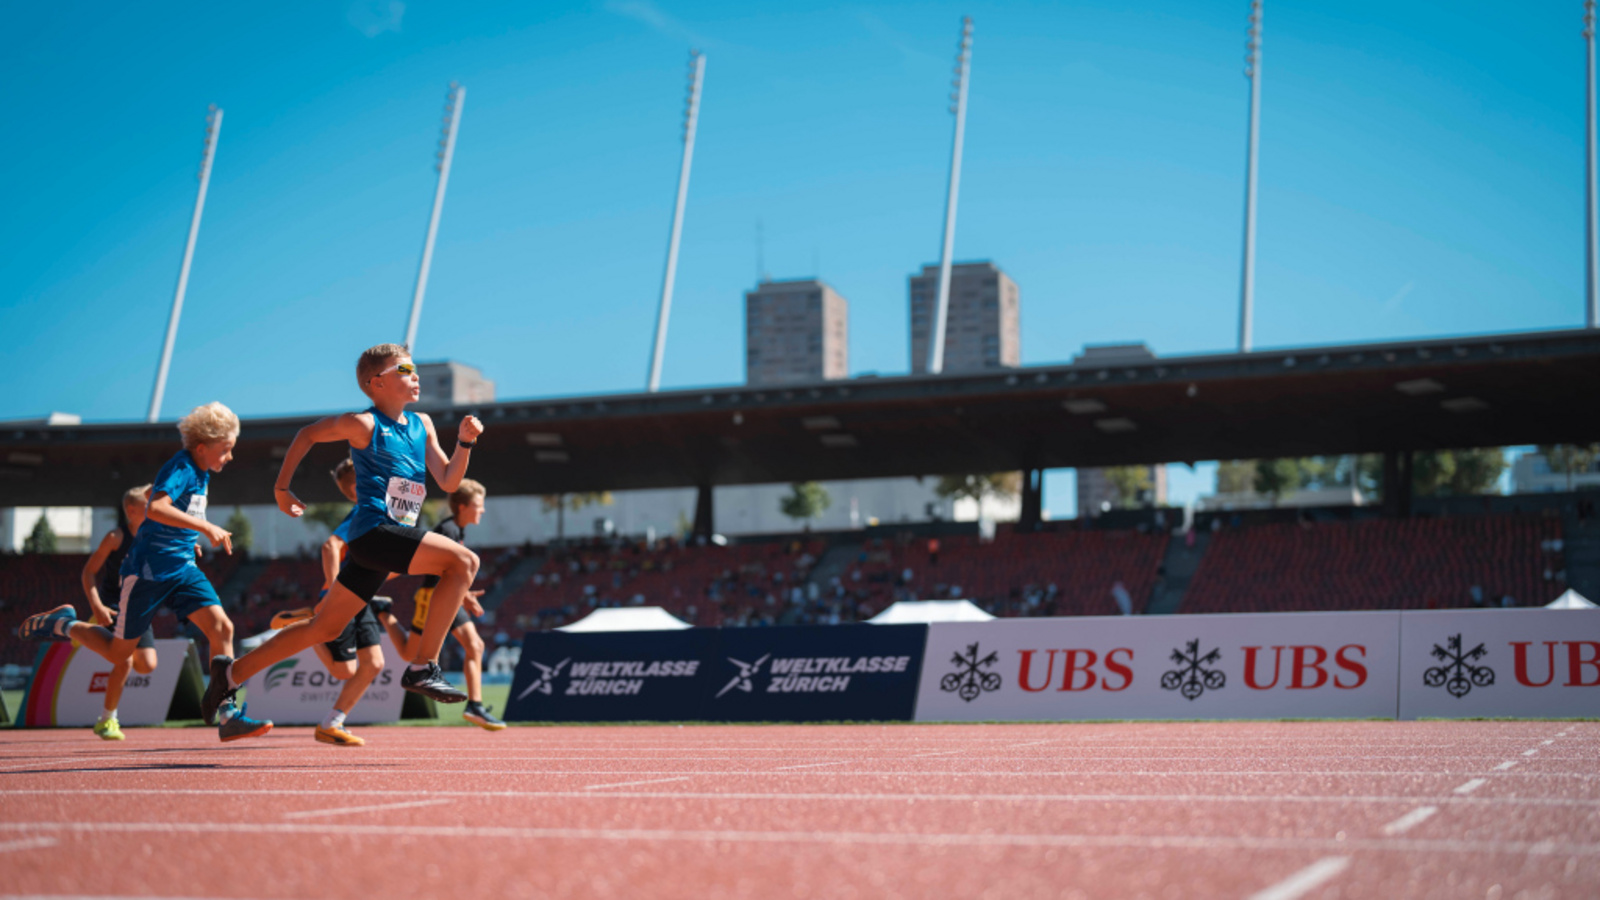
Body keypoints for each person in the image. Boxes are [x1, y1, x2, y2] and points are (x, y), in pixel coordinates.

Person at [205, 343, 482, 733]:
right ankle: (422, 666)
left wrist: (465, 442)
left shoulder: (423, 425)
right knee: (465, 562)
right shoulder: (363, 424)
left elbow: (450, 480)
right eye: (404, 368)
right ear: (376, 383)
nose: (414, 374)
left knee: (323, 628)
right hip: (374, 533)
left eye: (415, 367)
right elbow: (307, 435)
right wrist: (282, 489)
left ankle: (229, 676)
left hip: (386, 541)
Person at [20, 402, 270, 742]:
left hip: (182, 567)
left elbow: (167, 507)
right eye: (226, 450)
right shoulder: (181, 465)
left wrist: (187, 537)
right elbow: (156, 507)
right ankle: (63, 623)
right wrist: (205, 528)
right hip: (147, 574)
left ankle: (227, 713)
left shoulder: (202, 473)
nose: (230, 457)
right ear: (202, 447)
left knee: (222, 627)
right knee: (119, 654)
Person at [271, 458, 388, 746]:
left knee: (373, 664)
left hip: (363, 597)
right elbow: (330, 546)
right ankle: (306, 622)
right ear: (357, 487)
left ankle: (331, 723)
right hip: (344, 596)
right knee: (343, 670)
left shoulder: (379, 512)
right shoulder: (364, 511)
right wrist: (336, 588)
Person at [374, 478, 505, 731]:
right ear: (463, 506)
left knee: (472, 646)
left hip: (446, 598)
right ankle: (381, 611)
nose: (483, 509)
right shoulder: (447, 530)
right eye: (479, 504)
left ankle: (382, 612)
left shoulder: (458, 530)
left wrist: (464, 595)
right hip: (432, 597)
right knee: (418, 653)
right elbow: (434, 568)